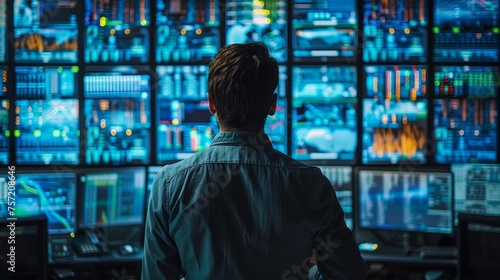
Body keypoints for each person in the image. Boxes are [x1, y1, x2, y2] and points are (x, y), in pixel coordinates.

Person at [142, 42, 367, 279]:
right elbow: (349, 274)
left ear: (211, 104)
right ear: (272, 105)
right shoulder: (311, 184)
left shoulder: (169, 184)